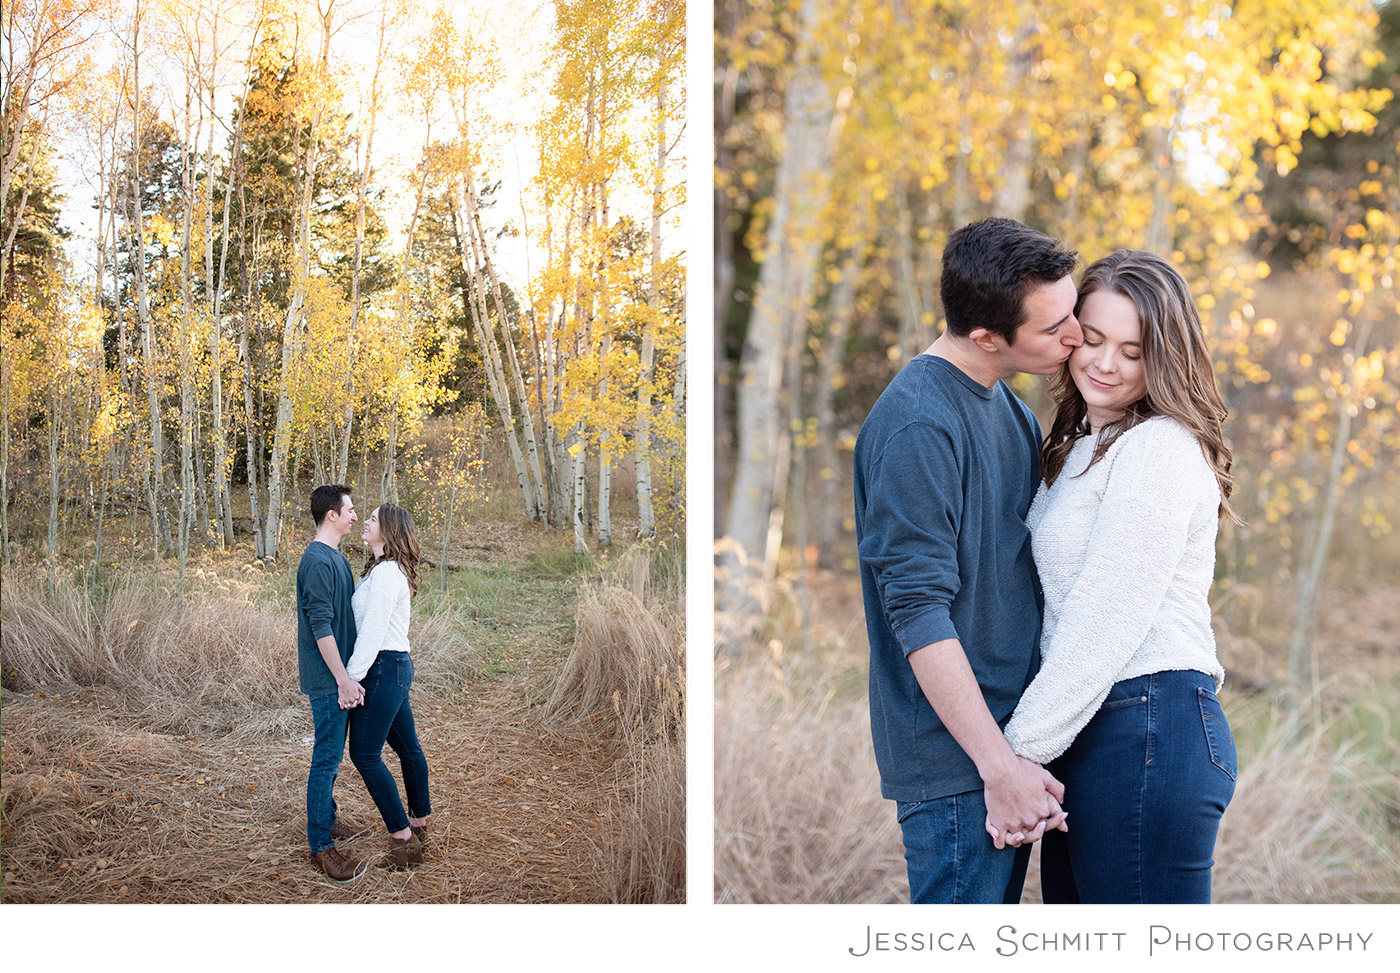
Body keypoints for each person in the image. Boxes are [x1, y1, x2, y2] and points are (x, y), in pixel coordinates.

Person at [853, 217, 1082, 903]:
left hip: (1010, 747)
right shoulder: (919, 425)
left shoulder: (1006, 409)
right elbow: (917, 612)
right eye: (1053, 329)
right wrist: (997, 766)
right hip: (961, 765)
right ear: (986, 335)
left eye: (1071, 312)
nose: (1074, 336)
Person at [1000, 249, 1239, 903]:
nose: (1105, 363)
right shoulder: (1080, 446)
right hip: (1100, 731)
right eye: (1094, 339)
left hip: (1150, 726)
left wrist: (1016, 754)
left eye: (1132, 351)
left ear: (1163, 357)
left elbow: (1105, 619)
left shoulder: (1158, 447)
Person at [346, 503, 432, 869]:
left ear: (390, 530)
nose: (365, 521)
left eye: (373, 519)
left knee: (364, 755)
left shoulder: (385, 576)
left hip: (382, 666)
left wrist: (350, 678)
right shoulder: (381, 570)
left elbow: (372, 634)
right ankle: (419, 822)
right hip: (393, 666)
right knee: (408, 747)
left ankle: (403, 838)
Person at [297, 484, 372, 883]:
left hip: (340, 676)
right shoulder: (317, 562)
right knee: (325, 761)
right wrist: (343, 679)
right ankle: (321, 847)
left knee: (331, 759)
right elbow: (320, 625)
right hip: (328, 679)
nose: (355, 517)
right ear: (332, 515)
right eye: (350, 510)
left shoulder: (336, 558)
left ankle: (328, 820)